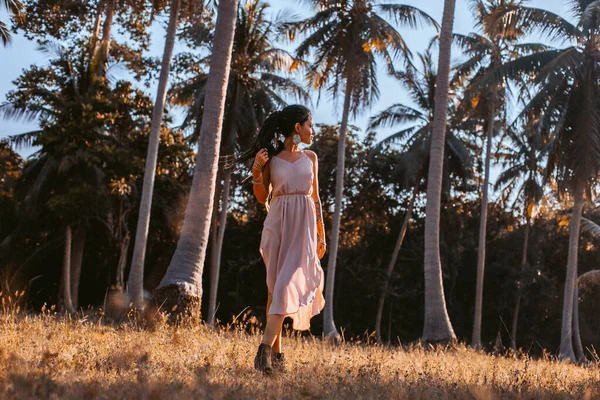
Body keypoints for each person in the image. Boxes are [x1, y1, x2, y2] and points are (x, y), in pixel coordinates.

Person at [235, 105, 326, 374]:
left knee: (286, 284)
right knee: (275, 290)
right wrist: (256, 171)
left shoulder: (311, 157)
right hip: (278, 223)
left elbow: (316, 198)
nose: (313, 130)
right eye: (310, 125)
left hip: (304, 226)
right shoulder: (271, 159)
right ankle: (277, 359)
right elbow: (262, 197)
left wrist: (322, 233)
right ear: (297, 128)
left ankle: (261, 352)